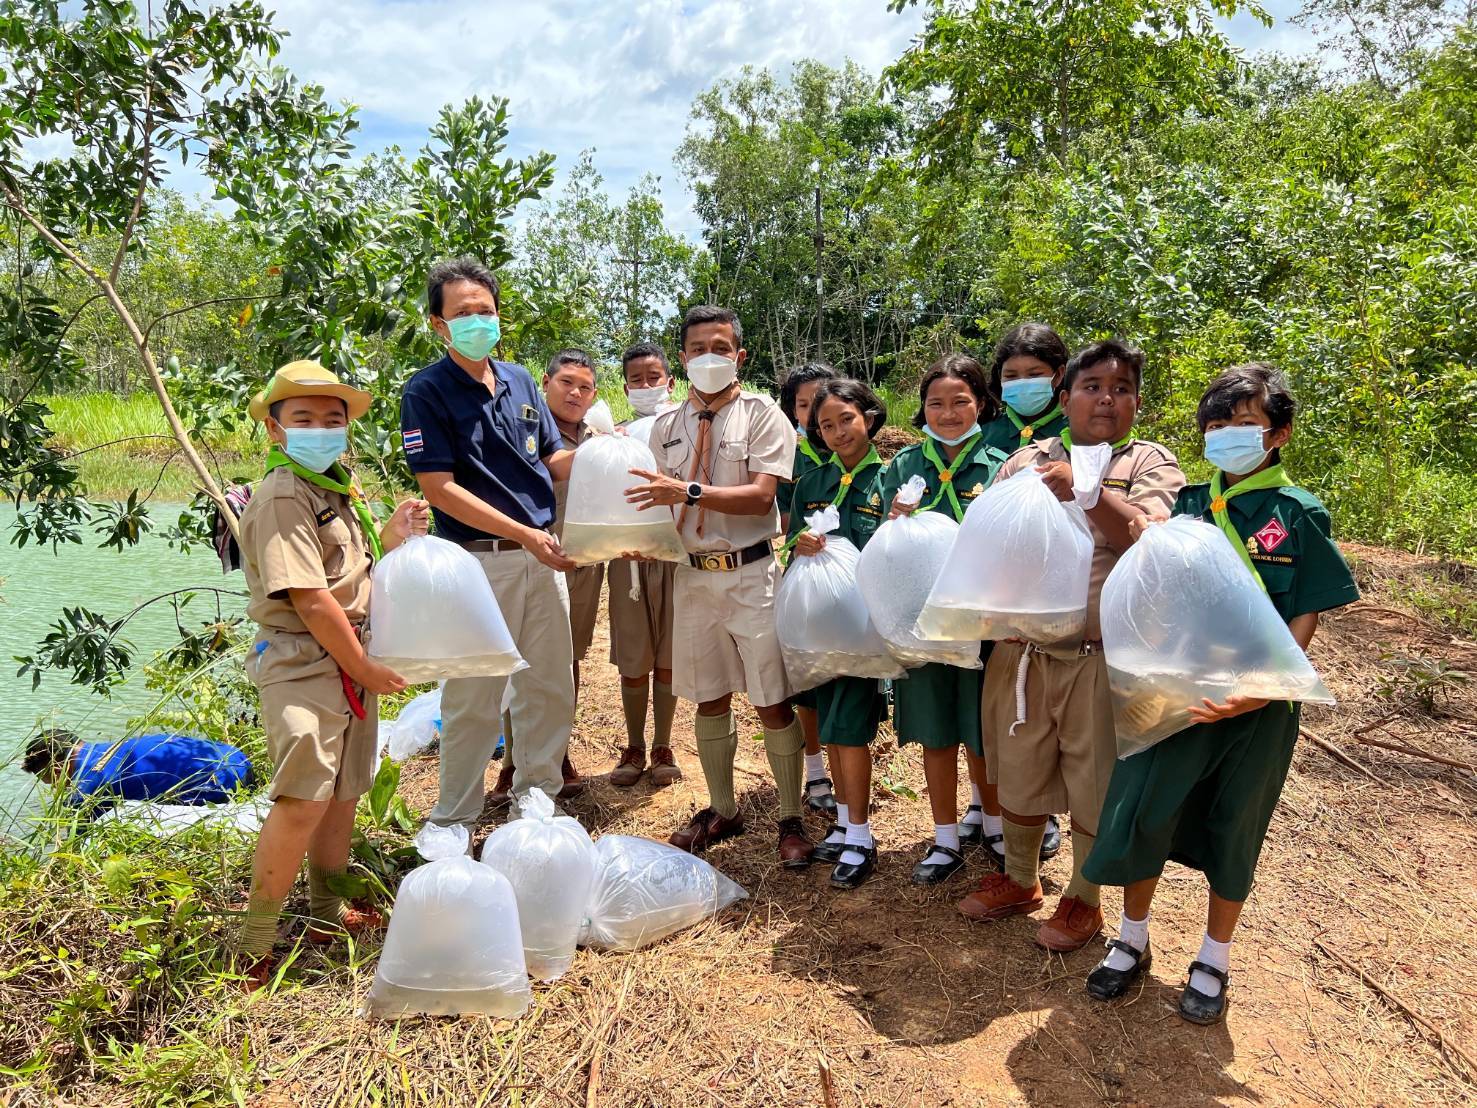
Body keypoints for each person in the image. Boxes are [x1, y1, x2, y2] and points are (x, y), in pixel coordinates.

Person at [1083, 363, 1358, 1025]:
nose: (1226, 436)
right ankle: (1132, 938)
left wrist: (1262, 692)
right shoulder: (1185, 507)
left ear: (1278, 434)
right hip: (1177, 693)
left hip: (1255, 705)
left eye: (1243, 425)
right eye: (1215, 425)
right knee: (1144, 811)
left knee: (1233, 826)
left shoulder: (1297, 514)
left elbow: (1305, 613)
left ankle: (1213, 955)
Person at [959, 339, 1186, 952]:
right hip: (1022, 653)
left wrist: (1086, 490)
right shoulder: (1026, 460)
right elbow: (990, 542)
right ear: (1064, 397)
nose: (1105, 398)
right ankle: (1020, 879)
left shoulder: (1149, 465)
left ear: (1137, 402)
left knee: (1094, 781)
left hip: (1099, 656)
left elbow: (1145, 542)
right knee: (1020, 773)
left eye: (1120, 388)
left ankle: (1082, 900)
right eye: (1091, 387)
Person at [236, 360, 428, 986]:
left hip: (345, 657)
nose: (320, 428)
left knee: (344, 793)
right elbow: (312, 601)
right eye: (303, 418)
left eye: (332, 419)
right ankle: (253, 941)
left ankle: (325, 913)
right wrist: (366, 667)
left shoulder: (335, 488)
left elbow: (350, 579)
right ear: (275, 429)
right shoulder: (284, 494)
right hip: (305, 661)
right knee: (302, 800)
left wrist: (392, 538)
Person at [626, 304, 813, 866]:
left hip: (751, 573)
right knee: (709, 696)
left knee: (771, 699)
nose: (711, 357)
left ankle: (790, 817)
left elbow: (762, 496)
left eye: (722, 347)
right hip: (692, 578)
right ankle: (723, 808)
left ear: (740, 355)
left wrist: (688, 493)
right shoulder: (666, 427)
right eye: (700, 348)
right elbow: (653, 506)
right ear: (683, 358)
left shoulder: (762, 416)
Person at [399, 257, 579, 829]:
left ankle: (536, 798)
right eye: (463, 313)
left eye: (486, 311)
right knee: (473, 696)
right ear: (438, 324)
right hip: (477, 564)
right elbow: (440, 488)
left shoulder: (522, 380)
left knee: (548, 686)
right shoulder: (426, 391)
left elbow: (552, 460)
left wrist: (605, 455)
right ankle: (454, 817)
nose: (478, 321)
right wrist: (525, 534)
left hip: (541, 561)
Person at [880, 354, 1009, 886]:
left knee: (984, 731)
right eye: (936, 403)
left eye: (961, 401)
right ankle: (944, 837)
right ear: (923, 409)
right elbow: (883, 550)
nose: (948, 412)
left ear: (980, 403)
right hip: (923, 623)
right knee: (936, 731)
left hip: (985, 623)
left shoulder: (1006, 463)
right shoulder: (903, 467)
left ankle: (996, 826)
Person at [785, 378, 889, 887]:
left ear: (868, 416)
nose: (837, 431)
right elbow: (788, 547)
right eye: (825, 425)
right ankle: (847, 825)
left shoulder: (890, 480)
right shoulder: (811, 482)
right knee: (830, 726)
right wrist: (798, 547)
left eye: (846, 419)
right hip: (821, 626)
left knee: (851, 730)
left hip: (864, 628)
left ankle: (862, 836)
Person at [607, 342, 682, 788]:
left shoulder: (686, 427)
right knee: (633, 655)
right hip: (627, 558)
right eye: (636, 379)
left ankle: (663, 744)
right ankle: (634, 745)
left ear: (671, 382)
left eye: (654, 377)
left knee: (670, 654)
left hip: (675, 555)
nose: (645, 386)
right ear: (625, 386)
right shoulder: (616, 437)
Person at [776, 361, 842, 818]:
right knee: (808, 682)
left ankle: (846, 769)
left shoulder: (854, 451)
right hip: (805, 578)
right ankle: (815, 770)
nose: (814, 411)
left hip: (849, 587)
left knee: (846, 676)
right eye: (805, 404)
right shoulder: (789, 458)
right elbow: (783, 523)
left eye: (822, 400)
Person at [22, 728, 254, 807]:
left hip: (225, 782)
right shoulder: (112, 747)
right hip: (237, 759)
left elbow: (80, 847)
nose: (58, 788)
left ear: (57, 766)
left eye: (51, 780)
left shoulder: (87, 789)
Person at [980, 323, 1070, 456]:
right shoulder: (985, 430)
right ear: (1000, 377)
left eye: (1034, 374)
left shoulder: (1078, 430)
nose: (1022, 383)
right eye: (1011, 376)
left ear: (1058, 375)